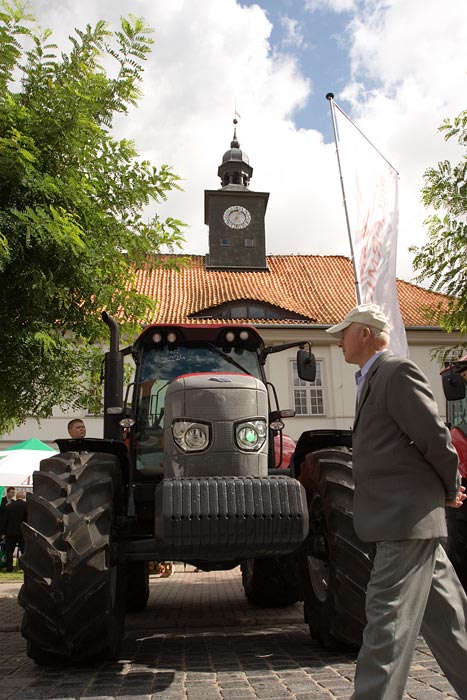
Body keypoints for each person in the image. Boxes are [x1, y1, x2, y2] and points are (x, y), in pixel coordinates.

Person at [326, 303, 467, 700]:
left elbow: (434, 437)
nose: (338, 340)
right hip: (407, 521)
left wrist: (449, 486)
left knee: (386, 623)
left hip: (405, 521)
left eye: (344, 331)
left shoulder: (395, 372)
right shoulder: (373, 378)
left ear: (366, 333)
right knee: (451, 623)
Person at [2, 490, 27, 572]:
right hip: (22, 532)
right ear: (23, 497)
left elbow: (4, 520)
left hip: (10, 532)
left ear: (16, 497)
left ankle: (9, 568)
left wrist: (3, 533)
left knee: (9, 551)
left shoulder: (9, 506)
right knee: (24, 551)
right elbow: (27, 519)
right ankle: (24, 567)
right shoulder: (26, 506)